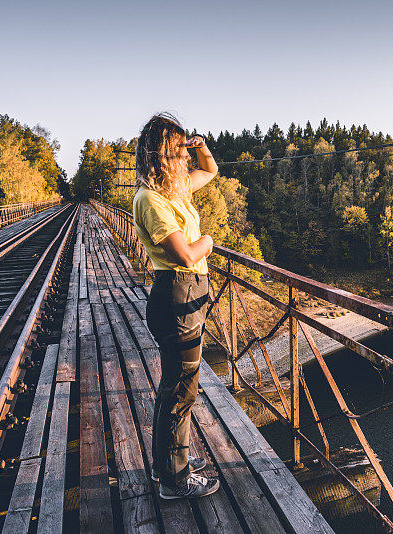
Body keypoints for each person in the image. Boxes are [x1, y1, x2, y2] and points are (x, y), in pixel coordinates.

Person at [132, 113, 220, 499]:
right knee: (181, 390)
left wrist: (200, 147)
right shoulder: (151, 200)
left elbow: (211, 171)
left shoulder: (174, 191)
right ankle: (172, 479)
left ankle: (170, 463)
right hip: (178, 294)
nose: (186, 159)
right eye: (180, 151)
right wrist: (210, 242)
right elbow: (185, 254)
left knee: (178, 387)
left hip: (185, 295)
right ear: (163, 155)